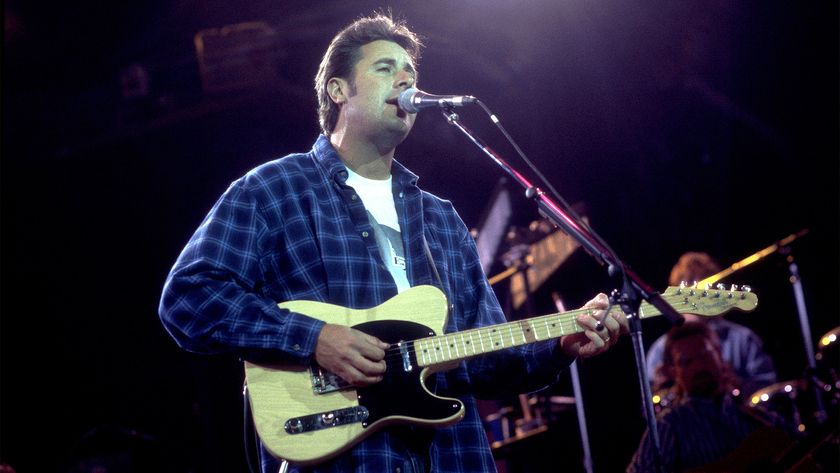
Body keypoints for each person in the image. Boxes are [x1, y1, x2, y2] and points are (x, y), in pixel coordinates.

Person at [158, 12, 627, 473]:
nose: (405, 80)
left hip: (453, 457)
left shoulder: (440, 219)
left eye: (410, 72)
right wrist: (313, 338)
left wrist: (561, 345)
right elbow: (189, 298)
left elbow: (488, 363)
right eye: (385, 68)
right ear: (338, 90)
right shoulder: (274, 189)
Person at [629, 322, 790, 472]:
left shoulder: (755, 417)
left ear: (720, 355)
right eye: (686, 362)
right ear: (674, 372)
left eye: (704, 355)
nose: (698, 366)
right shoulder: (668, 425)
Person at [646, 252, 777, 397]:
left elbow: (766, 390)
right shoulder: (660, 350)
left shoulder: (743, 339)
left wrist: (737, 385)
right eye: (689, 288)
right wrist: (666, 390)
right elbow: (651, 401)